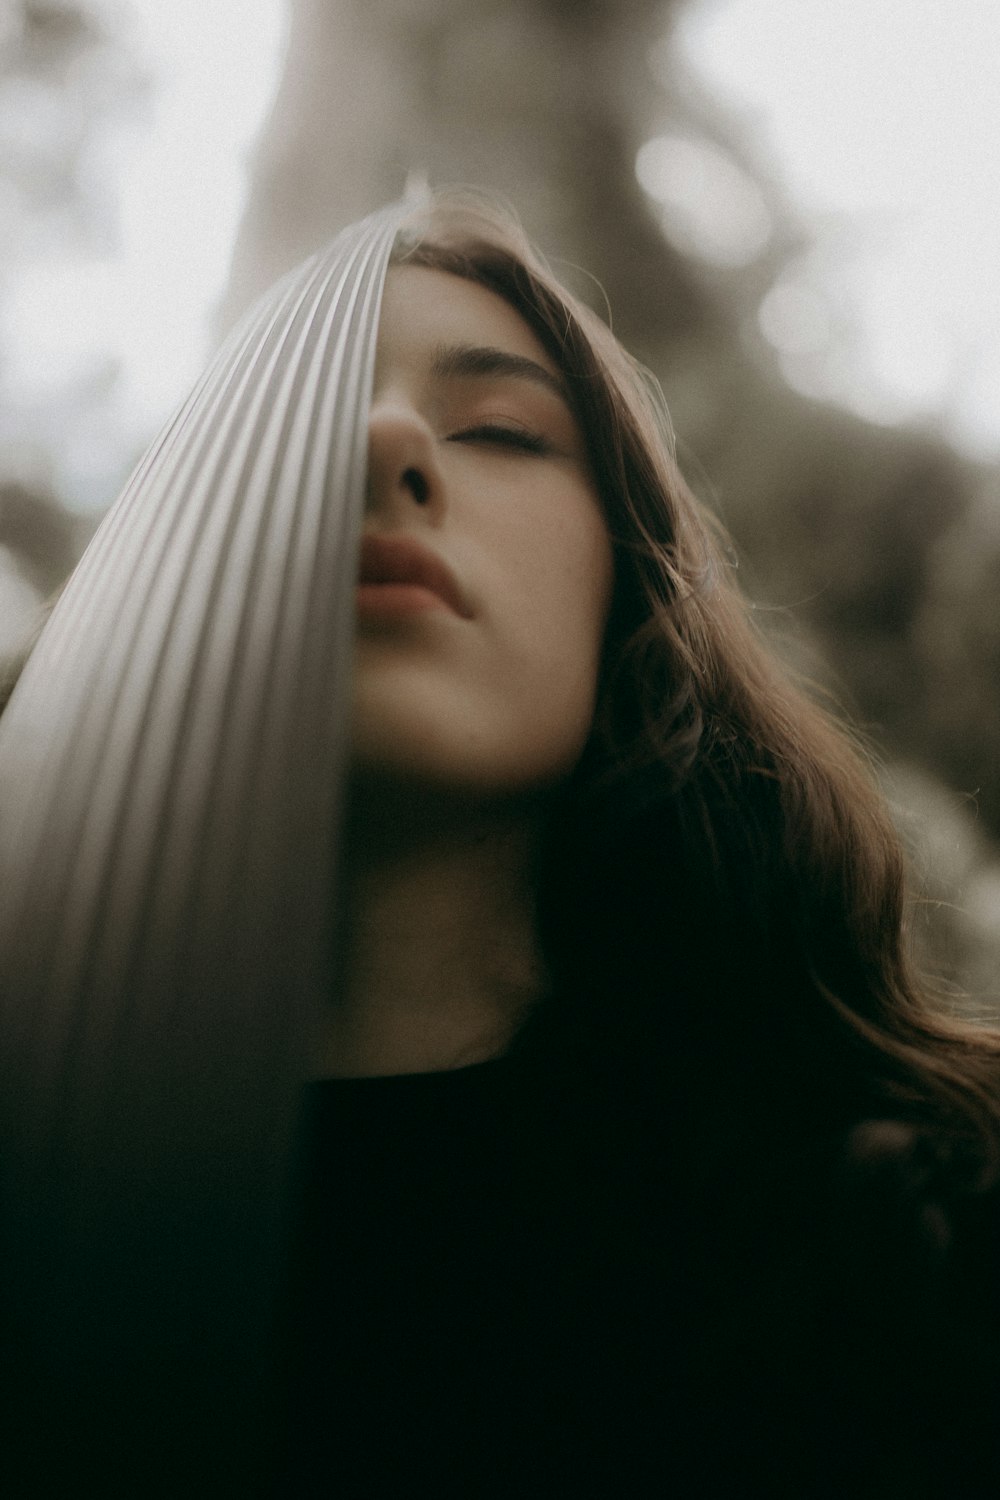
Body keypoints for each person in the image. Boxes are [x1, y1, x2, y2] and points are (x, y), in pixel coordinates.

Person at [4, 192, 1000, 1495]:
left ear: (624, 605)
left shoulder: (936, 1234)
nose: (385, 442)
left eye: (501, 430)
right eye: (283, 434)